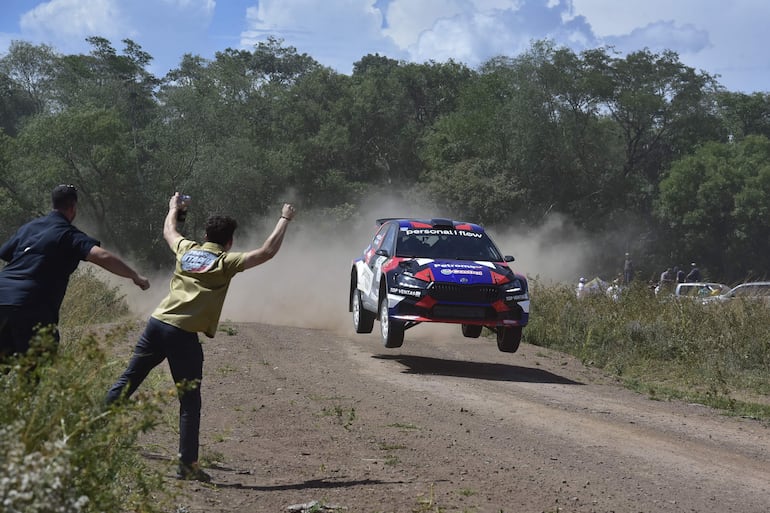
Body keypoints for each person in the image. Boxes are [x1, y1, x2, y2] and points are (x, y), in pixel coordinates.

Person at [105, 192, 296, 482]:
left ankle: (86, 433)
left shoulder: (187, 249)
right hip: (183, 336)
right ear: (229, 242)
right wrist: (284, 219)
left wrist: (174, 207)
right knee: (189, 403)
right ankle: (187, 466)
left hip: (157, 324)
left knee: (128, 380)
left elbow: (169, 231)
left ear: (205, 234)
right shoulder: (225, 262)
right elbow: (267, 252)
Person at [0, 184, 150, 358]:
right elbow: (102, 256)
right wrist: (135, 276)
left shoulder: (28, 228)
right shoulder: (68, 234)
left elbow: (6, 254)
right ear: (72, 207)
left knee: (5, 363)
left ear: (53, 204)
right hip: (30, 305)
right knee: (37, 366)